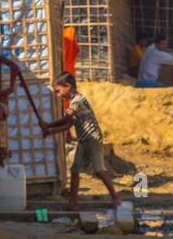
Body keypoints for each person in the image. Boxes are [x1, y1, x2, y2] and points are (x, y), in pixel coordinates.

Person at [40, 71, 120, 211]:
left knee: (99, 170)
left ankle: (116, 198)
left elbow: (67, 119)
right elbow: (70, 124)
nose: (58, 95)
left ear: (68, 86)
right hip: (84, 140)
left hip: (92, 138)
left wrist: (50, 126)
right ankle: (73, 203)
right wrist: (51, 129)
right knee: (75, 171)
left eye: (58, 91)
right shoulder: (74, 101)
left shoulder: (77, 100)